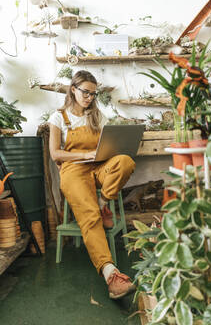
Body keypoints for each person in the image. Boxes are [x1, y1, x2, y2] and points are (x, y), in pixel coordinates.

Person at [48, 70, 136, 300]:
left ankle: (102, 202)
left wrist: (111, 149)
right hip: (73, 171)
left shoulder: (97, 116)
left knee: (125, 162)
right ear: (73, 89)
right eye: (86, 92)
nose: (89, 97)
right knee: (89, 216)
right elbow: (55, 153)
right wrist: (84, 154)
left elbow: (109, 147)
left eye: (93, 94)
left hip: (98, 167)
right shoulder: (59, 117)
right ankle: (110, 273)